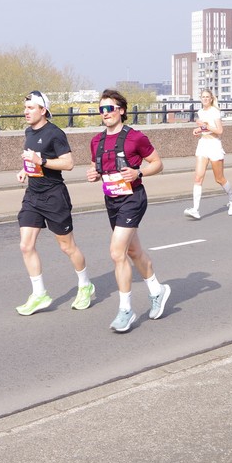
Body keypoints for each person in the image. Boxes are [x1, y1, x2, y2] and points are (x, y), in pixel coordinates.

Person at [85, 89, 171, 333]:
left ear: (121, 110)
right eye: (101, 109)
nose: (105, 113)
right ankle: (157, 290)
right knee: (133, 251)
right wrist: (93, 174)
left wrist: (138, 172)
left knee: (117, 252)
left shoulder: (135, 137)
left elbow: (158, 163)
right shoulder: (96, 141)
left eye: (109, 108)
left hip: (133, 198)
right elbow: (96, 168)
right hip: (112, 200)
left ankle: (126, 310)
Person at [13, 91, 93, 316]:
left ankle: (85, 285)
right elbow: (33, 158)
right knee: (26, 245)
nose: (26, 112)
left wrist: (41, 161)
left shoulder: (55, 133)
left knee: (67, 247)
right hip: (33, 195)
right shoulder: (29, 131)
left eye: (31, 108)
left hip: (54, 196)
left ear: (43, 110)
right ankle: (39, 294)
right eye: (25, 108)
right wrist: (25, 170)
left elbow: (68, 163)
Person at [183, 89, 232, 219]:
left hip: (214, 145)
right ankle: (195, 209)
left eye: (207, 97)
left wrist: (205, 126)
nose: (205, 99)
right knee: (198, 177)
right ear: (200, 99)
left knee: (219, 178)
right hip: (203, 144)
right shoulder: (200, 112)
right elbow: (206, 128)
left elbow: (219, 131)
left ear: (211, 99)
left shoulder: (215, 112)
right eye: (203, 97)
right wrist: (199, 130)